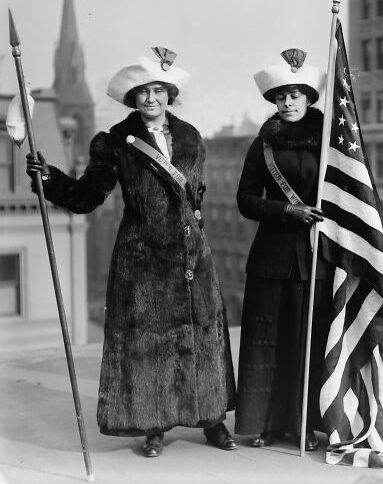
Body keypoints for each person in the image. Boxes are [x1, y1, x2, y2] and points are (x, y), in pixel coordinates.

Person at [25, 49, 237, 457]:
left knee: (203, 336)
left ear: (169, 94)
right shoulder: (114, 142)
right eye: (143, 92)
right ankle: (152, 424)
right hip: (142, 259)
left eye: (158, 90)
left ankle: (213, 419)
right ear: (132, 97)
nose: (151, 98)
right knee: (148, 342)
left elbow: (197, 196)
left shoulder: (191, 136)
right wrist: (49, 178)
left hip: (193, 257)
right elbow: (88, 196)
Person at [235, 48, 333, 451]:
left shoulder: (331, 143)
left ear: (309, 98)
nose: (288, 102)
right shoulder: (264, 146)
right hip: (271, 258)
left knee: (306, 343)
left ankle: (304, 424)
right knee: (267, 340)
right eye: (280, 96)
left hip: (316, 258)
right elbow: (245, 200)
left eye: (295, 94)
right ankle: (262, 424)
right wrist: (285, 210)